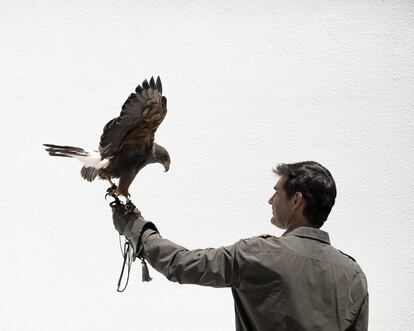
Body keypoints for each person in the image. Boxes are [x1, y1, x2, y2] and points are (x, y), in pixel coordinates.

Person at [111, 161, 368, 330]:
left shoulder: (259, 254)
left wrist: (134, 227)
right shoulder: (354, 276)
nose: (270, 200)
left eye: (277, 193)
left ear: (296, 200)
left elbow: (180, 264)